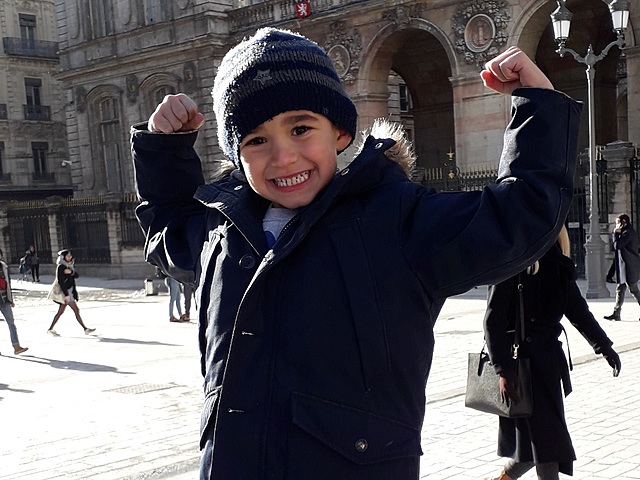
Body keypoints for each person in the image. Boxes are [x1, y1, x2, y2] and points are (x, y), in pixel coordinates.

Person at [132, 28, 582, 480]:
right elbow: (168, 231)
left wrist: (538, 106)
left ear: (340, 132)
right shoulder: (222, 231)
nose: (283, 157)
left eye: (300, 129)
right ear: (236, 153)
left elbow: (515, 219)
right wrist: (163, 150)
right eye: (256, 140)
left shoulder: (396, 221)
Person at [482, 226, 621, 480]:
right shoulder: (513, 261)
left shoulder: (558, 263)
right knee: (547, 444)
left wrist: (604, 346)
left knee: (541, 443)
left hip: (548, 368)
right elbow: (493, 321)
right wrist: (503, 369)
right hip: (521, 371)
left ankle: (502, 479)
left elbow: (578, 311)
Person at [47, 249, 95, 336]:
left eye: (70, 255)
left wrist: (71, 272)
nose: (70, 257)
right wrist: (66, 295)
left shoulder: (69, 265)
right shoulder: (61, 267)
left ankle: (50, 329)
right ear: (63, 257)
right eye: (68, 256)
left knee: (61, 312)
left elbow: (76, 275)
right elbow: (61, 282)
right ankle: (85, 329)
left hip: (70, 290)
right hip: (65, 292)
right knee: (75, 310)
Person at [604, 213, 640, 321]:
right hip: (623, 265)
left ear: (623, 223)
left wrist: (615, 234)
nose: (616, 225)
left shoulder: (628, 233)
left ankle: (616, 313)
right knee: (620, 288)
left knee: (633, 289)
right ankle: (616, 313)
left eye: (618, 223)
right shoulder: (625, 232)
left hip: (629, 265)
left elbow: (617, 245)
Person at [0, 248, 28, 355]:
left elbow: (8, 284)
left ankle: (16, 346)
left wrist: (10, 299)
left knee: (11, 324)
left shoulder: (4, 267)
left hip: (4, 299)